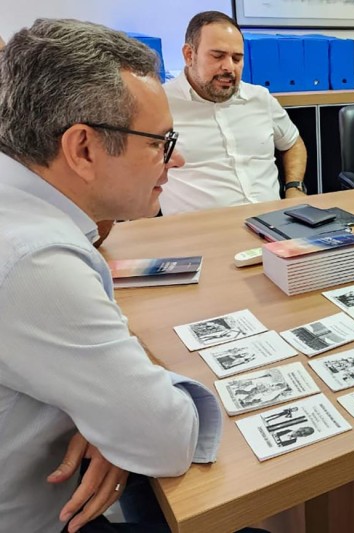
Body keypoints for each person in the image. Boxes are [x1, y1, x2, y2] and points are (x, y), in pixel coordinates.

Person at [0, 19, 231, 533]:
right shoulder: (36, 260)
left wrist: (108, 417)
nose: (176, 159)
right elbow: (167, 439)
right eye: (161, 142)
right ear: (83, 149)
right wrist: (126, 420)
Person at [161, 11, 307, 215]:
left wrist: (294, 187)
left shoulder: (259, 98)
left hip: (273, 221)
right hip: (201, 228)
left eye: (237, 58)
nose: (229, 67)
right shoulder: (160, 104)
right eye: (218, 56)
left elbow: (292, 143)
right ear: (189, 55)